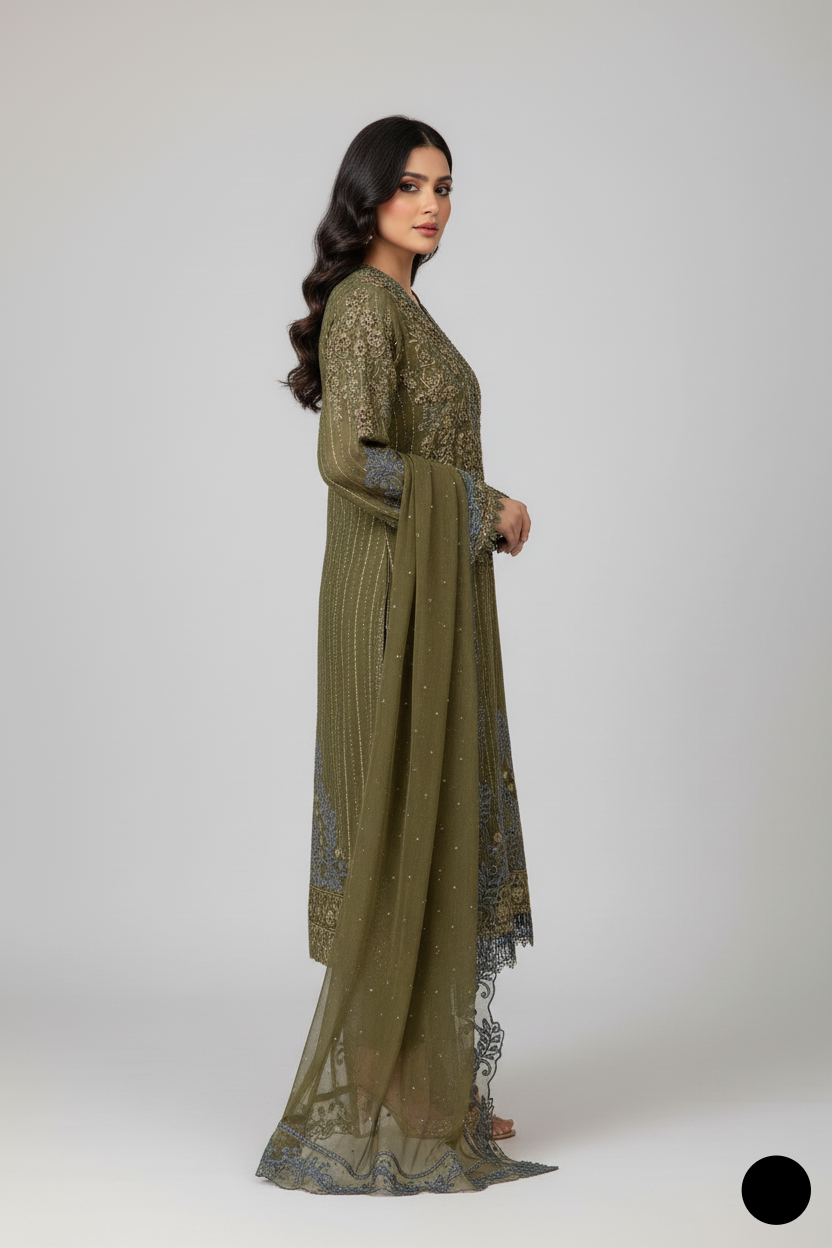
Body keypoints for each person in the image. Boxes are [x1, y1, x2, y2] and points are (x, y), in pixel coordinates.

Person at [255, 116, 557, 1195]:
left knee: (430, 813)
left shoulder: (401, 304)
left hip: (425, 590)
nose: (431, 205)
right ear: (367, 197)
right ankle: (396, 1097)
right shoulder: (363, 305)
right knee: (397, 821)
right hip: (389, 600)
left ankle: (430, 1087)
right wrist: (485, 505)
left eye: (443, 186)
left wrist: (474, 506)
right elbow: (350, 459)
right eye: (409, 186)